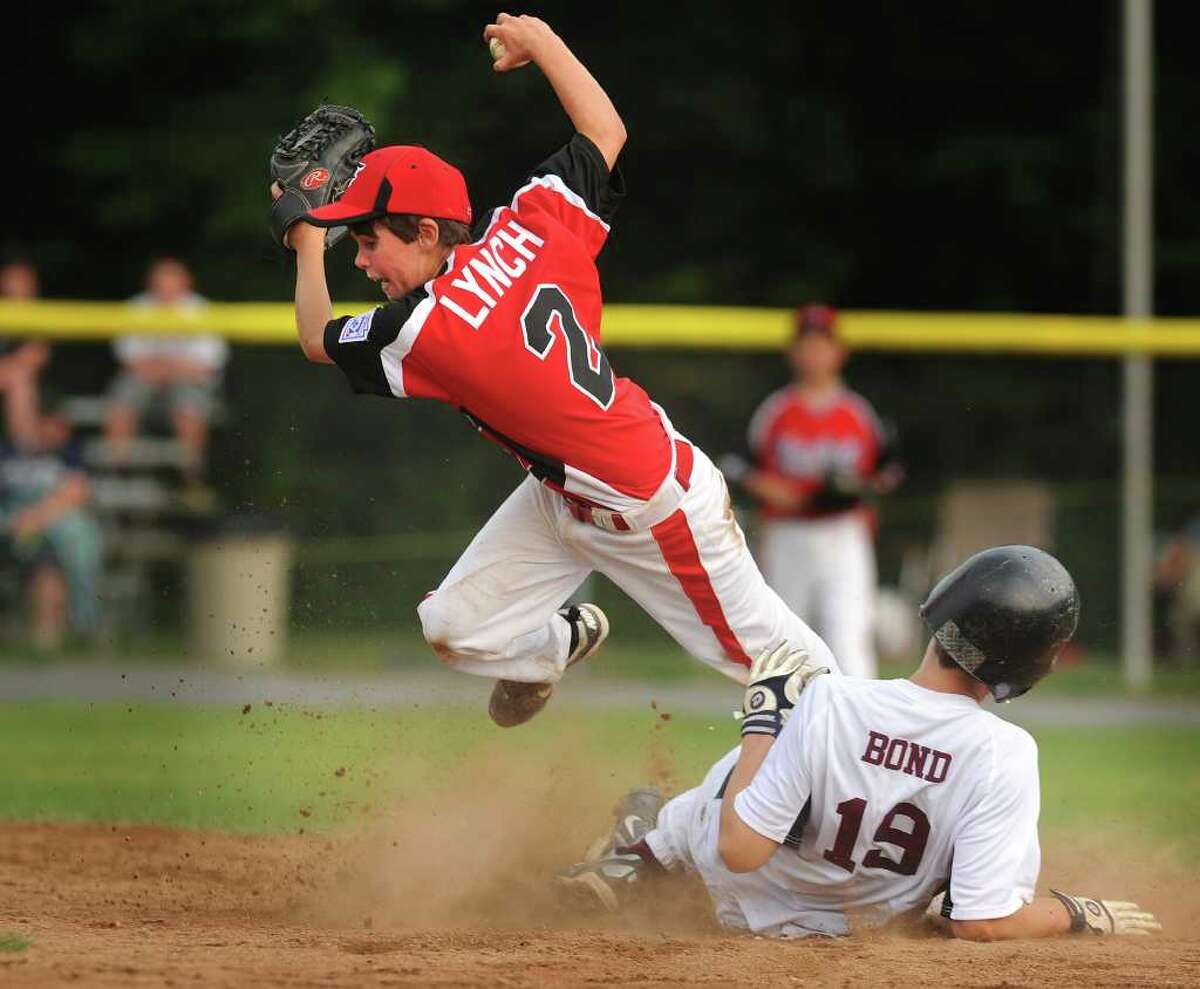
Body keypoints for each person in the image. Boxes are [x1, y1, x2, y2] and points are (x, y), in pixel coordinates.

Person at [272, 13, 837, 727]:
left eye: (366, 239)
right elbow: (605, 131)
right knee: (455, 625)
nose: (360, 259)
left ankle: (886, 767)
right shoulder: (529, 223)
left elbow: (318, 338)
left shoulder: (427, 329)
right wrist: (542, 42)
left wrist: (305, 244)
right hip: (563, 492)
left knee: (784, 668)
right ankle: (559, 641)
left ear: (422, 231)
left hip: (648, 505)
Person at [559, 546, 1162, 941]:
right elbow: (983, 920)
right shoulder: (1005, 753)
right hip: (843, 928)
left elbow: (741, 849)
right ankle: (653, 843)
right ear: (1028, 666)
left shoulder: (831, 698)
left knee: (756, 754)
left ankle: (645, 852)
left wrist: (760, 727)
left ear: (943, 608)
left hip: (734, 887)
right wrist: (1081, 913)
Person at [725, 304, 901, 678]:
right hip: (788, 532)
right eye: (806, 344)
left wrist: (855, 489)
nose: (815, 353)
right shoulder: (775, 411)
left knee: (849, 634)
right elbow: (739, 468)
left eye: (823, 344)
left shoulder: (859, 412)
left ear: (840, 352)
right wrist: (783, 493)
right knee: (783, 636)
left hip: (843, 532)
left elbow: (888, 472)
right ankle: (780, 722)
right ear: (792, 351)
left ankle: (858, 726)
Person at [106, 257, 228, 480]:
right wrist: (171, 368)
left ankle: (190, 474)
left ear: (185, 283)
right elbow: (127, 358)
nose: (166, 289)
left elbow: (210, 364)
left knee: (189, 403)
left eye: (171, 282)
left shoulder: (200, 310)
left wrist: (165, 369)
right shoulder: (138, 307)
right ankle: (118, 470)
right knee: (122, 398)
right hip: (147, 381)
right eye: (160, 283)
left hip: (185, 383)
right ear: (151, 284)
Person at [1, 398, 103, 650]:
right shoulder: (7, 453)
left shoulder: (70, 454)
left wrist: (33, 519)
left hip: (46, 529)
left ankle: (50, 633)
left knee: (50, 556)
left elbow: (77, 493)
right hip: (11, 524)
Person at [0, 257, 51, 449]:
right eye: (16, 279)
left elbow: (36, 357)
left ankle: (25, 453)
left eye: (26, 279)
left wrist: (8, 370)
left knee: (21, 379)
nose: (22, 285)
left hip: (41, 390)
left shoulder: (40, 313)